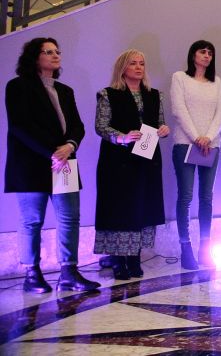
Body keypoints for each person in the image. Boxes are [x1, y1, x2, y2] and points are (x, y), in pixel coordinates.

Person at [5, 38, 100, 293]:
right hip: (30, 164)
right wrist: (52, 153)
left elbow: (77, 126)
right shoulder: (17, 86)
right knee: (32, 221)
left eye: (57, 51)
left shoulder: (65, 90)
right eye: (48, 52)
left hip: (65, 160)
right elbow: (19, 126)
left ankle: (69, 273)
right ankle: (32, 275)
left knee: (70, 217)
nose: (55, 55)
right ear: (34, 57)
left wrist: (70, 145)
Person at [94, 49, 169, 280]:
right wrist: (122, 137)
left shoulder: (155, 95)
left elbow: (160, 123)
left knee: (142, 207)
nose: (138, 67)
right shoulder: (108, 94)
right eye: (133, 63)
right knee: (119, 209)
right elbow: (101, 126)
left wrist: (164, 130)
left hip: (146, 161)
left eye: (142, 63)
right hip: (118, 163)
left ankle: (135, 258)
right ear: (122, 68)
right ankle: (118, 260)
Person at [170, 41, 221, 270]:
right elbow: (178, 110)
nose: (207, 56)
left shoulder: (216, 82)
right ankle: (186, 248)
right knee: (186, 196)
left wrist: (208, 137)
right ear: (193, 55)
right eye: (203, 52)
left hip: (211, 145)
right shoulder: (180, 78)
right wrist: (196, 137)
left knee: (206, 197)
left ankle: (205, 248)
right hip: (186, 144)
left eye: (210, 53)